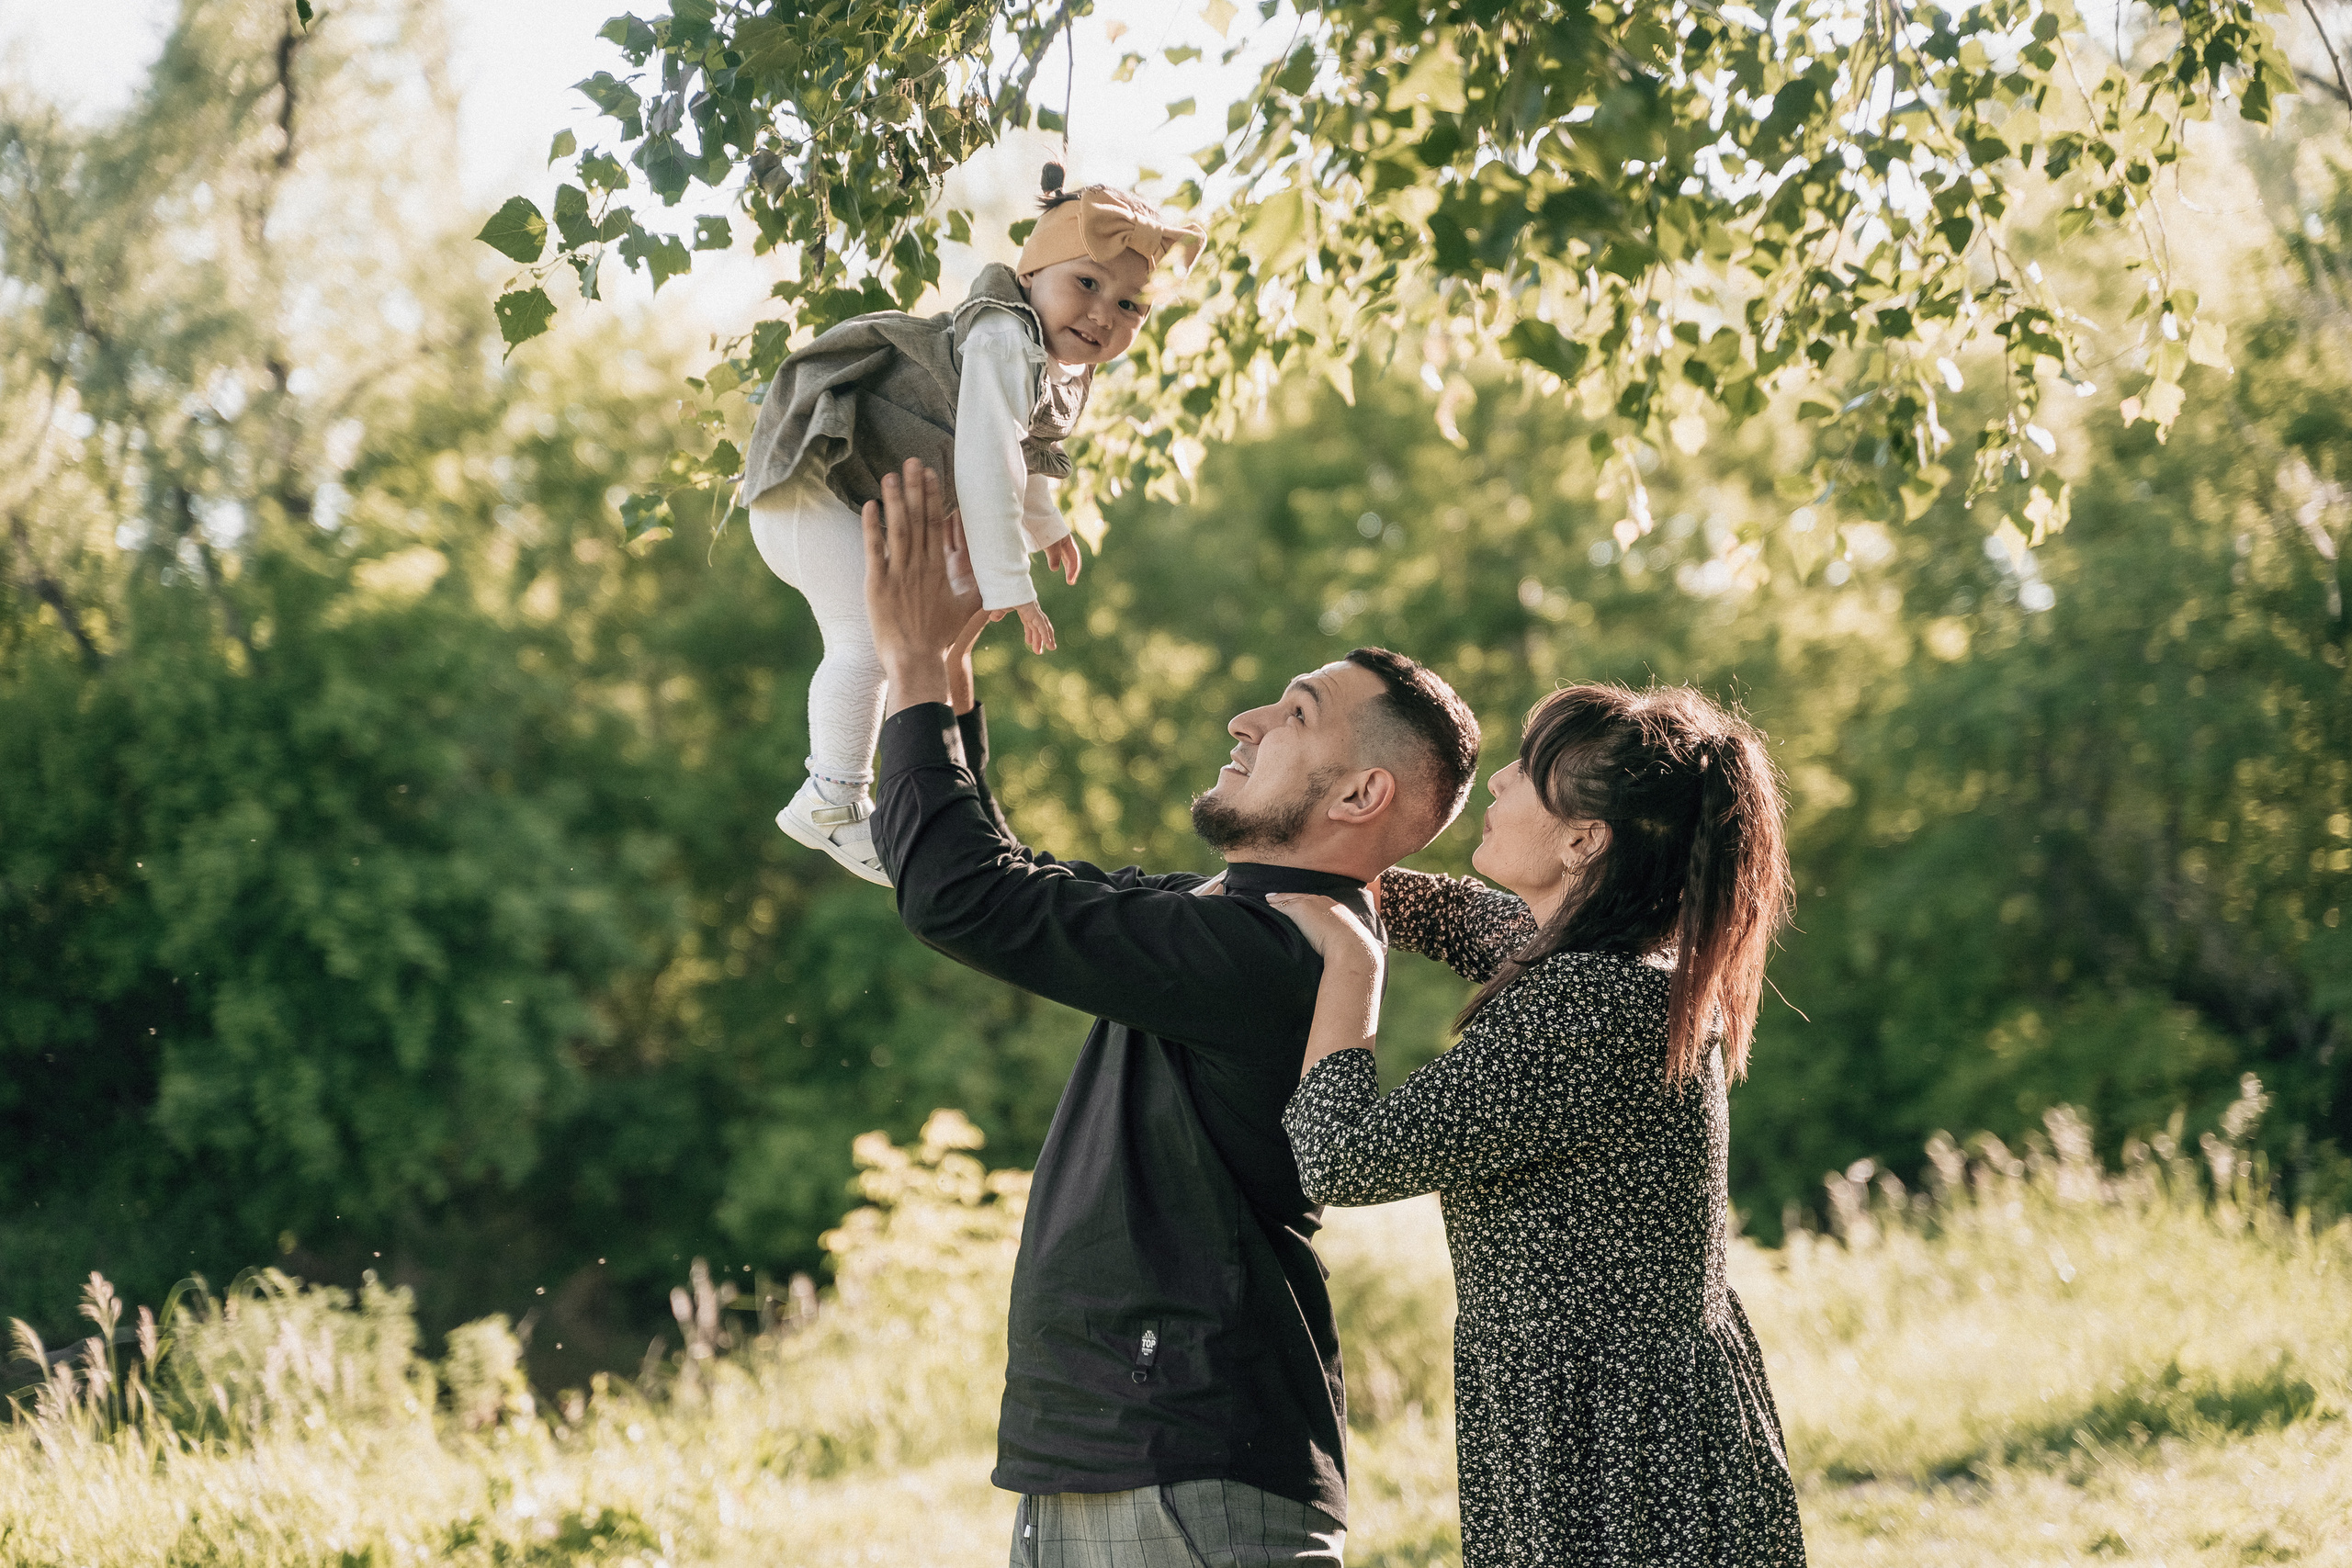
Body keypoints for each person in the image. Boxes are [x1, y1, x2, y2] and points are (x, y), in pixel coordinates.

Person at [856, 458, 1482, 1567]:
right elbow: (1008, 876)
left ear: (1357, 796)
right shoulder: (1229, 916)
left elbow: (966, 900)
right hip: (1116, 1464)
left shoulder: (1272, 951)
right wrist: (947, 667)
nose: (1244, 720)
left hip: (1187, 1469)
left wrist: (908, 660)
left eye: (1293, 713)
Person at [1272, 684, 1808, 1566]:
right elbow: (1465, 918)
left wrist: (1349, 965)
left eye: (1527, 773)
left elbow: (1341, 1159)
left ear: (1583, 839)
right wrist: (1315, 863)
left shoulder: (1586, 1007)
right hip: (1620, 1419)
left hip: (1616, 1452)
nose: (1497, 783)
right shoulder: (1618, 965)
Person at [741, 176, 1204, 886]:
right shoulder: (1001, 337)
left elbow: (1023, 459)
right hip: (810, 484)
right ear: (1030, 273)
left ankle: (837, 797)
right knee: (871, 637)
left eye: (1129, 304)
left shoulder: (1053, 362)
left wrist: (1045, 521)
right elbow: (987, 460)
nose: (1103, 314)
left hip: (841, 492)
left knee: (882, 634)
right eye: (1086, 282)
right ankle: (830, 799)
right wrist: (1008, 583)